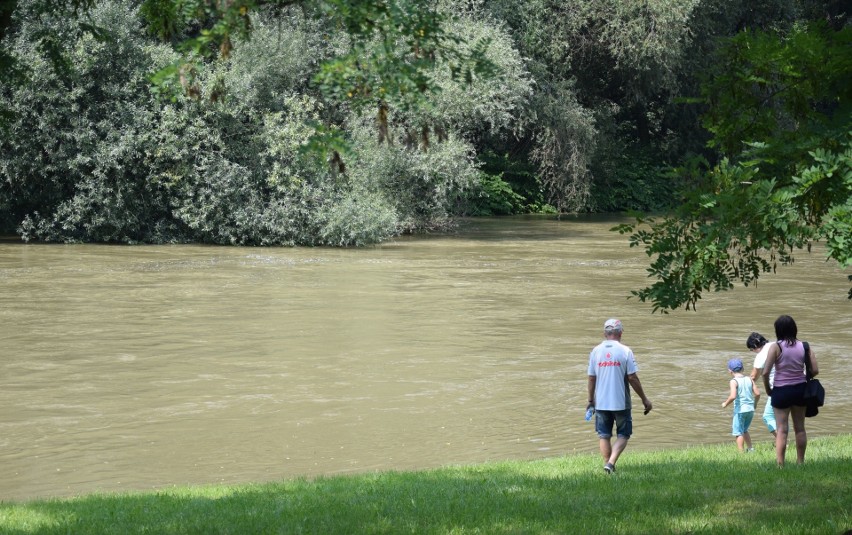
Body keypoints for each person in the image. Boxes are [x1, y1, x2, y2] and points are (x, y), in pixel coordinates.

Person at [587, 318, 653, 474]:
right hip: (621, 402)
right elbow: (632, 377)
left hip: (601, 402)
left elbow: (591, 378)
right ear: (621, 333)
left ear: (605, 333)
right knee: (623, 434)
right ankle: (610, 463)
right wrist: (645, 399)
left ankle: (607, 465)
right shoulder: (625, 351)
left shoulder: (595, 351)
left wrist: (590, 400)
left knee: (604, 435)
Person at [762, 315, 819, 467]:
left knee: (782, 430)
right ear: (794, 329)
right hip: (800, 390)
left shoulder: (776, 347)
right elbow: (815, 370)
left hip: (781, 391)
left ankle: (780, 465)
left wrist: (769, 390)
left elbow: (765, 372)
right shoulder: (804, 346)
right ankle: (800, 463)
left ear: (777, 330)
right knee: (800, 428)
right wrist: (802, 377)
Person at [722, 358, 760, 452]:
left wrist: (725, 404)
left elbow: (733, 396)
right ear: (742, 369)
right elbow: (758, 393)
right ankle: (751, 449)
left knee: (738, 432)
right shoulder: (749, 379)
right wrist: (754, 404)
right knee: (744, 429)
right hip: (750, 409)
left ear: (730, 371)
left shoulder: (733, 381)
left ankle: (741, 453)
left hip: (740, 410)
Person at [747, 332, 777, 438]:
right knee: (784, 416)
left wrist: (742, 383)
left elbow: (754, 377)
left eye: (752, 350)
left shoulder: (761, 355)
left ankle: (783, 442)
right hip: (796, 383)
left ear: (755, 346)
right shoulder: (776, 344)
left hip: (778, 388)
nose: (753, 352)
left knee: (768, 416)